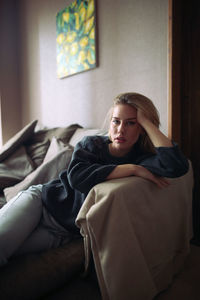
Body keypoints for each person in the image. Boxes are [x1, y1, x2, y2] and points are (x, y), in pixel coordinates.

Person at [0, 92, 189, 266]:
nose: (120, 130)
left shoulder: (143, 157)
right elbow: (78, 178)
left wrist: (147, 122)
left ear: (142, 129)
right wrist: (131, 169)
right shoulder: (92, 144)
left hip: (63, 232)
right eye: (116, 121)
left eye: (131, 123)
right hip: (41, 203)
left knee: (10, 253)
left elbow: (177, 166)